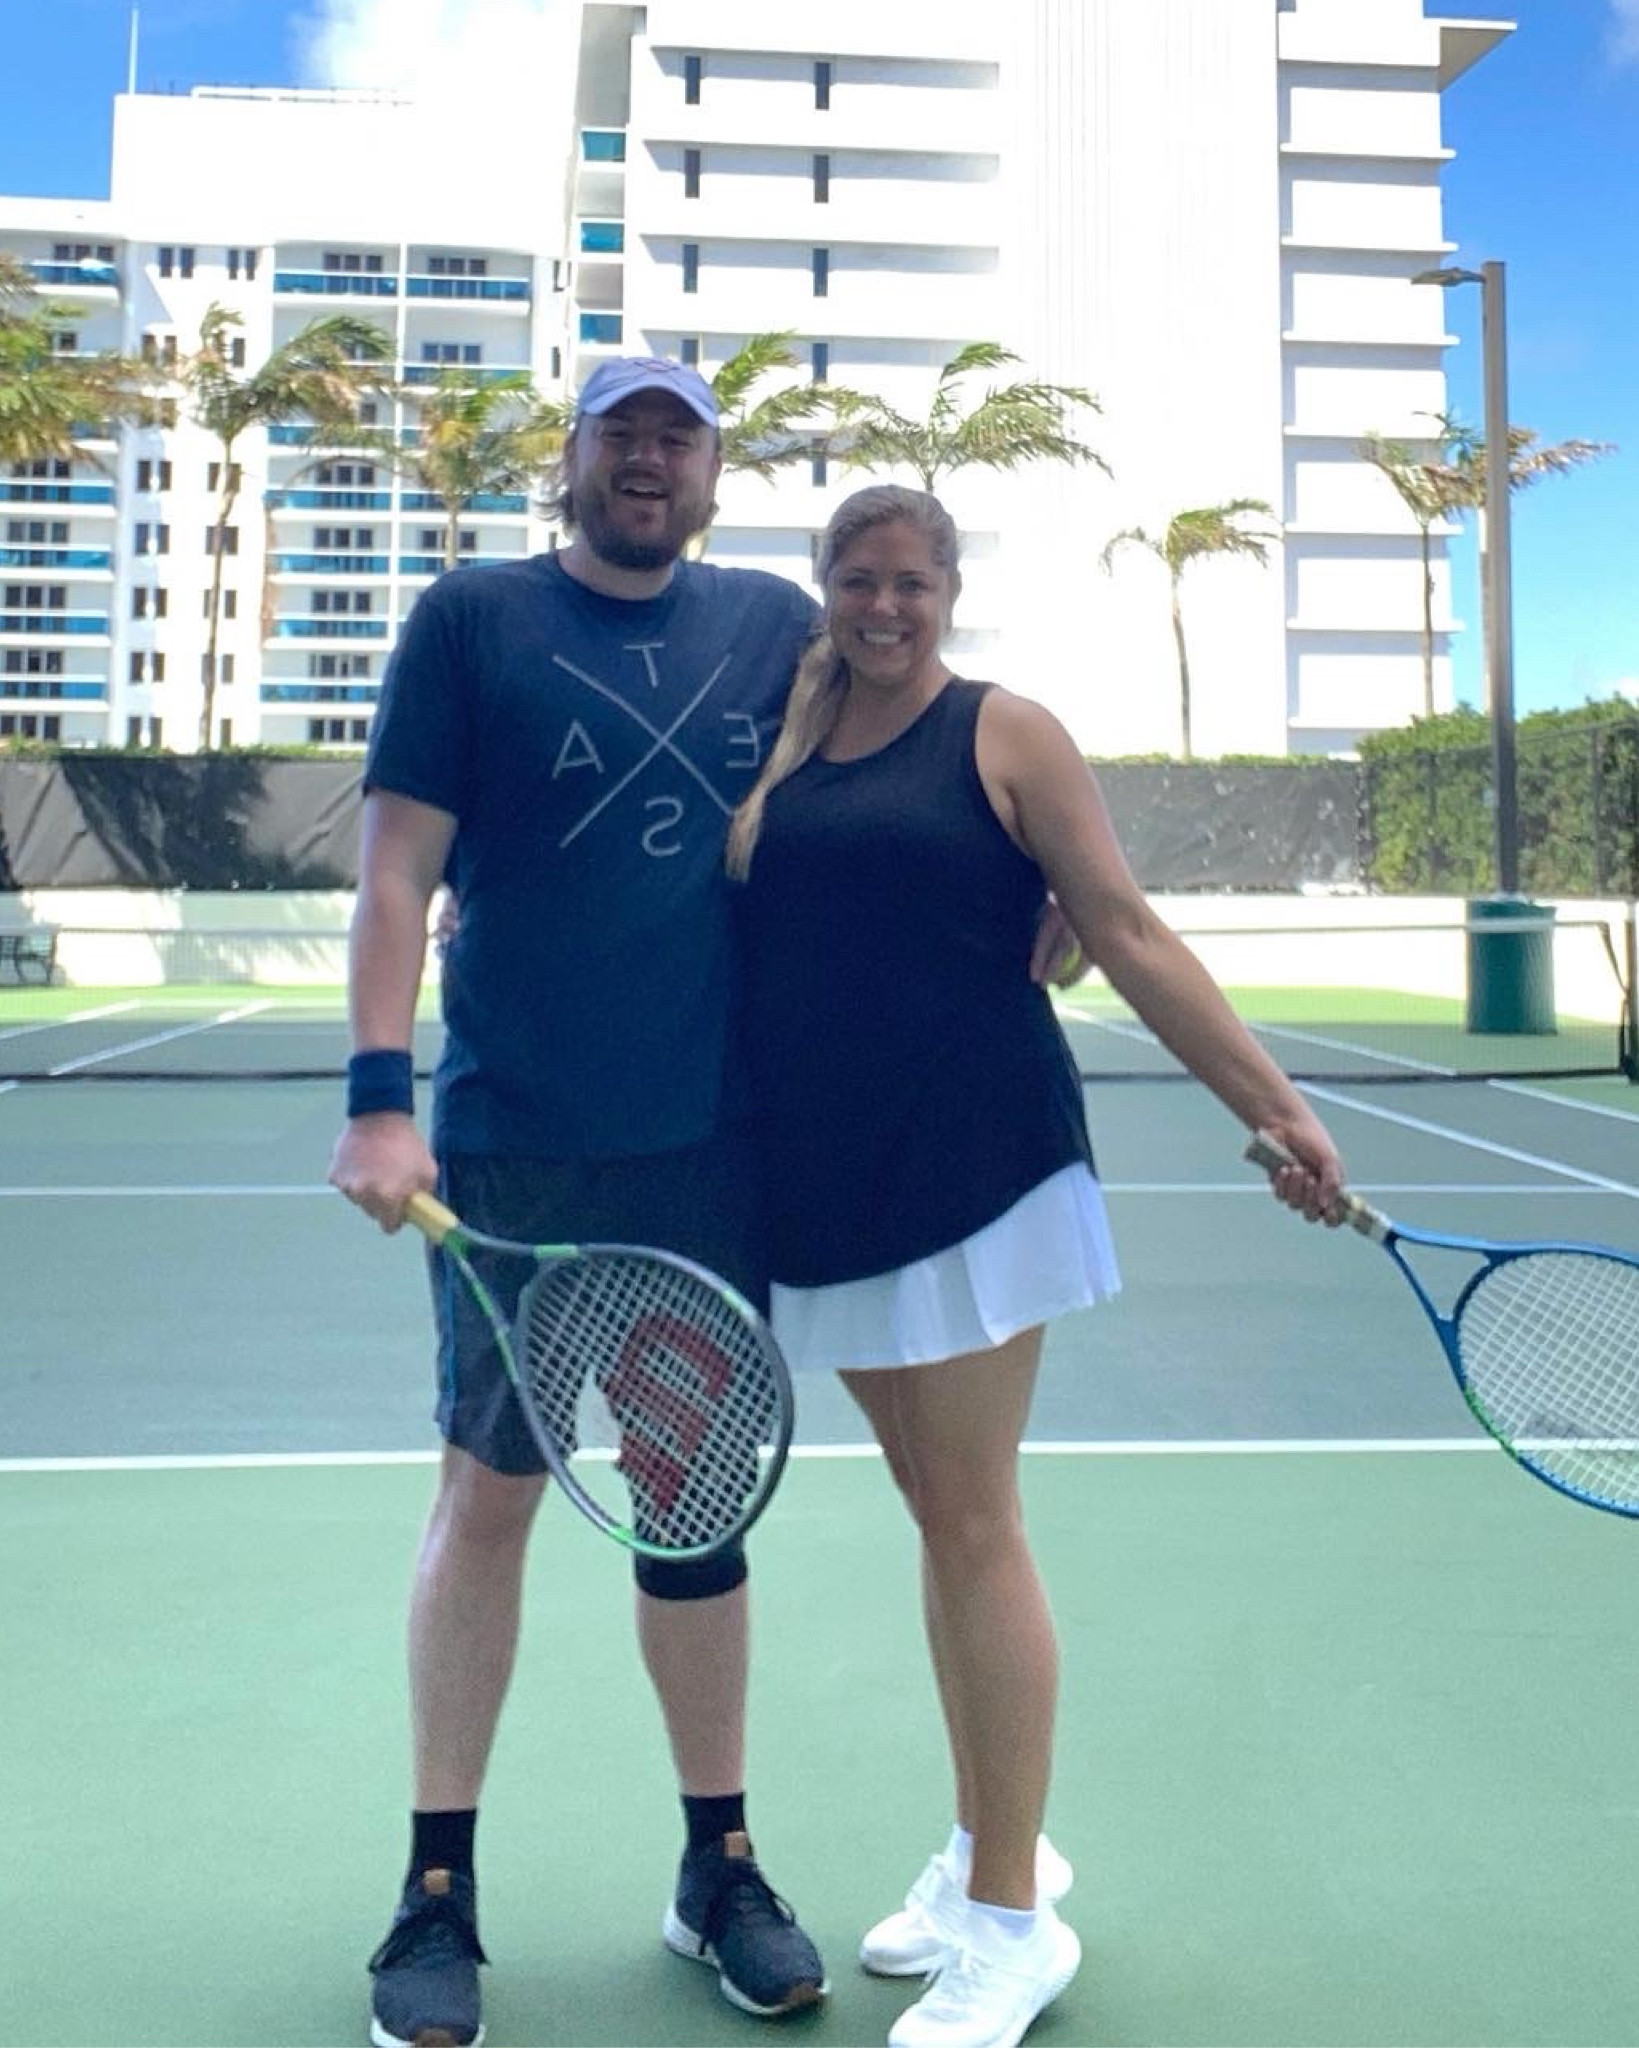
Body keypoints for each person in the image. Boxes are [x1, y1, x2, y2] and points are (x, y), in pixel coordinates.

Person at [725, 483, 1345, 2048]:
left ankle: (1011, 1924)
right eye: (857, 582)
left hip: (982, 1166)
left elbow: (1123, 928)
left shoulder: (1009, 734)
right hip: (829, 1187)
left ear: (950, 591)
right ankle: (990, 1848)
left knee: (981, 1522)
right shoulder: (785, 744)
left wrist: (1274, 1110)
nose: (883, 608)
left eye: (911, 583)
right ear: (825, 587)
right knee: (940, 1516)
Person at [327, 356, 832, 2048]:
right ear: (572, 460)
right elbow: (397, 870)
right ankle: (437, 1895)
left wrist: (1046, 885)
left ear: (711, 472)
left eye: (675, 436)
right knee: (488, 1503)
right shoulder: (470, 621)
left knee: (696, 1513)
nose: (646, 458)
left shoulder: (779, 627)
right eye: (619, 430)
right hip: (514, 1155)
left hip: (704, 1151)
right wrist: (380, 1104)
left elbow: (931, 729)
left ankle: (719, 1868)